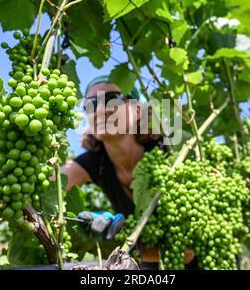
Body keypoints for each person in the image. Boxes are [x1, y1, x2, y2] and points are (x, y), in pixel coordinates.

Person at [61, 76, 195, 268]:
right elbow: (48, 185)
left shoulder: (170, 153)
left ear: (138, 110)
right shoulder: (94, 162)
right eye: (91, 105)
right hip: (146, 263)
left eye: (111, 99)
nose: (100, 110)